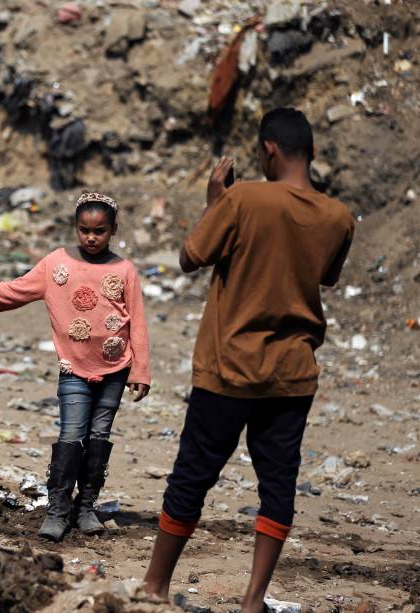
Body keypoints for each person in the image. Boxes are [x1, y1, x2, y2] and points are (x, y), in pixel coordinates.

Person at [142, 108, 355, 610]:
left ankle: (155, 585)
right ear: (313, 153)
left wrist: (216, 201)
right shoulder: (338, 217)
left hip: (227, 370)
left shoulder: (242, 199)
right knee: (278, 484)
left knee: (192, 476)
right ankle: (253, 600)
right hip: (293, 375)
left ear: (267, 151)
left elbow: (191, 255)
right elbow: (325, 278)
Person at [0, 192, 151, 541]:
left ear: (114, 230)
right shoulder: (56, 264)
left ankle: (86, 507)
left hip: (116, 370)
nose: (91, 237)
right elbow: (17, 290)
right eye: (84, 230)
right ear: (74, 227)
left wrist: (140, 370)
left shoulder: (124, 270)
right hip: (73, 370)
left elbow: (138, 323)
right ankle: (58, 510)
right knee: (71, 437)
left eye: (100, 231)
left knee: (98, 439)